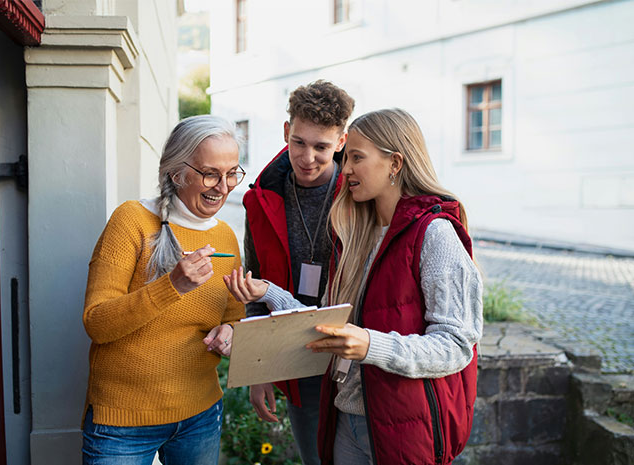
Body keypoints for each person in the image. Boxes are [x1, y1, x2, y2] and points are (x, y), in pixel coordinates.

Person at [225, 108, 483, 464]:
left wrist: (368, 345)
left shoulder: (436, 235)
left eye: (356, 158)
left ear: (395, 163)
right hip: (346, 419)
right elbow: (324, 323)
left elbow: (456, 345)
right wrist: (268, 292)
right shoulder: (355, 233)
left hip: (403, 427)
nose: (344, 170)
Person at [81, 114, 246, 465]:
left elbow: (234, 315)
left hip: (200, 414)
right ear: (177, 173)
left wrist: (229, 332)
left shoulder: (226, 237)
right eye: (210, 173)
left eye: (232, 172)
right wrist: (172, 286)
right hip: (123, 422)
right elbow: (97, 323)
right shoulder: (132, 221)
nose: (224, 186)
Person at [241, 80, 355, 465]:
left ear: (341, 141)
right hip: (297, 354)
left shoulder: (361, 195)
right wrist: (260, 369)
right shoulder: (261, 200)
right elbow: (254, 288)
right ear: (286, 132)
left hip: (358, 354)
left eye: (321, 147)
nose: (308, 157)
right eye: (299, 143)